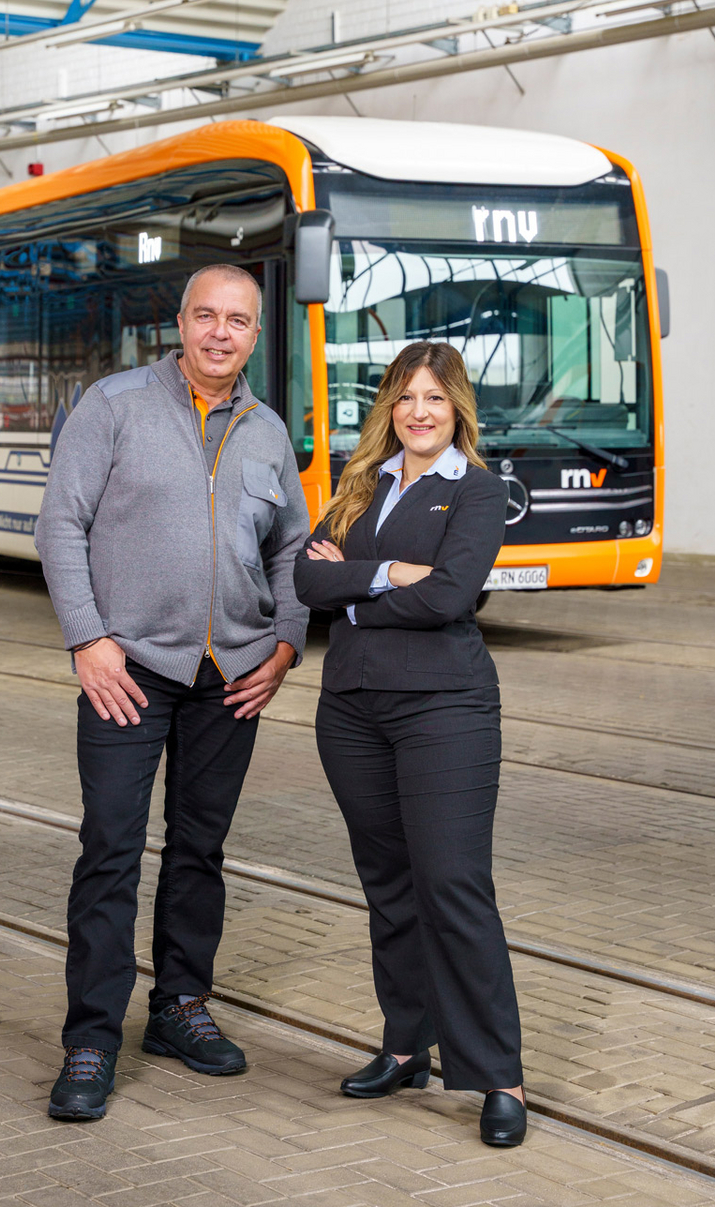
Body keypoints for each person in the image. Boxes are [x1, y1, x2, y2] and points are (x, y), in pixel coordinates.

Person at [35, 263, 310, 1122]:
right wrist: (88, 638)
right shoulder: (113, 405)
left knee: (200, 851)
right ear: (180, 323)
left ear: (255, 335)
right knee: (111, 852)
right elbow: (59, 524)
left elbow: (293, 552)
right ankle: (90, 1041)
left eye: (238, 320)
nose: (220, 333)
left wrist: (288, 646)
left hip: (228, 678)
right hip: (129, 674)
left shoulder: (267, 432)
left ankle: (180, 1008)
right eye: (206, 316)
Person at [293, 340, 526, 1149]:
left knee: (453, 884)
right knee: (389, 884)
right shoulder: (362, 485)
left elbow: (455, 597)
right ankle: (404, 1046)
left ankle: (499, 1076)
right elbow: (304, 580)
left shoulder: (478, 491)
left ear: (457, 406)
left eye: (434, 398)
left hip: (443, 709)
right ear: (389, 408)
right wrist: (392, 576)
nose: (419, 412)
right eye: (404, 398)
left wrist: (355, 589)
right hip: (353, 710)